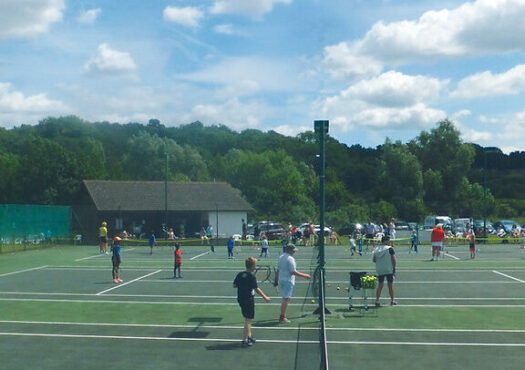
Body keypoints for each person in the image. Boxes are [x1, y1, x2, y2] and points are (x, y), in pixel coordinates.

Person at [233, 257, 271, 347]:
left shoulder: (240, 274)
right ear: (252, 266)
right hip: (248, 299)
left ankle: (249, 336)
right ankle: (244, 340)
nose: (256, 267)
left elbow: (234, 285)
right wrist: (265, 297)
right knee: (248, 320)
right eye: (255, 265)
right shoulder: (251, 276)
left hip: (241, 298)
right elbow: (256, 289)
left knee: (247, 318)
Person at [274, 244, 311, 323]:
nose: (294, 252)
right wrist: (305, 275)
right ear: (290, 250)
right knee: (286, 298)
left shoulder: (281, 257)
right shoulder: (290, 259)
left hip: (282, 279)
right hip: (288, 281)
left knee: (286, 298)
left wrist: (276, 279)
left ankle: (282, 315)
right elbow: (293, 271)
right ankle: (282, 316)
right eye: (293, 250)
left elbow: (278, 270)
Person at [373, 235, 397, 306]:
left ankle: (377, 300)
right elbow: (394, 259)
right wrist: (394, 269)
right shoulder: (390, 249)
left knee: (380, 285)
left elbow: (374, 260)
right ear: (386, 241)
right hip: (388, 269)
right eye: (389, 240)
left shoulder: (376, 249)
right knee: (390, 285)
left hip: (380, 269)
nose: (390, 242)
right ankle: (392, 300)